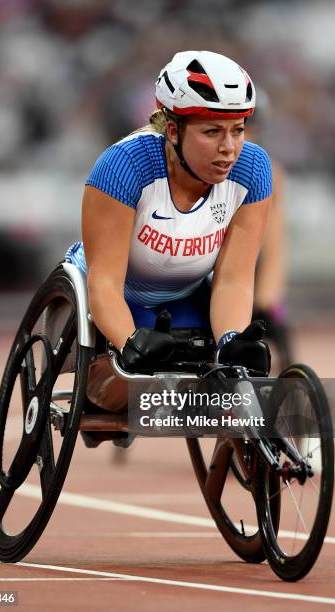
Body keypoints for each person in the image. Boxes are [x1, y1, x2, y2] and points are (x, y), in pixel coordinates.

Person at [66, 50, 272, 433]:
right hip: (118, 297)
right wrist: (129, 341)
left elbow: (234, 280)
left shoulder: (253, 169)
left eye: (238, 129)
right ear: (173, 131)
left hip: (186, 297)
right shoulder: (123, 166)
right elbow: (105, 281)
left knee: (236, 378)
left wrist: (229, 341)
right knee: (128, 385)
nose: (229, 148)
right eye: (212, 132)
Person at [245, 89, 293, 369]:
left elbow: (274, 241)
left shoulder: (269, 172)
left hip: (252, 273)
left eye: (246, 129)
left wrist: (267, 298)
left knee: (279, 353)